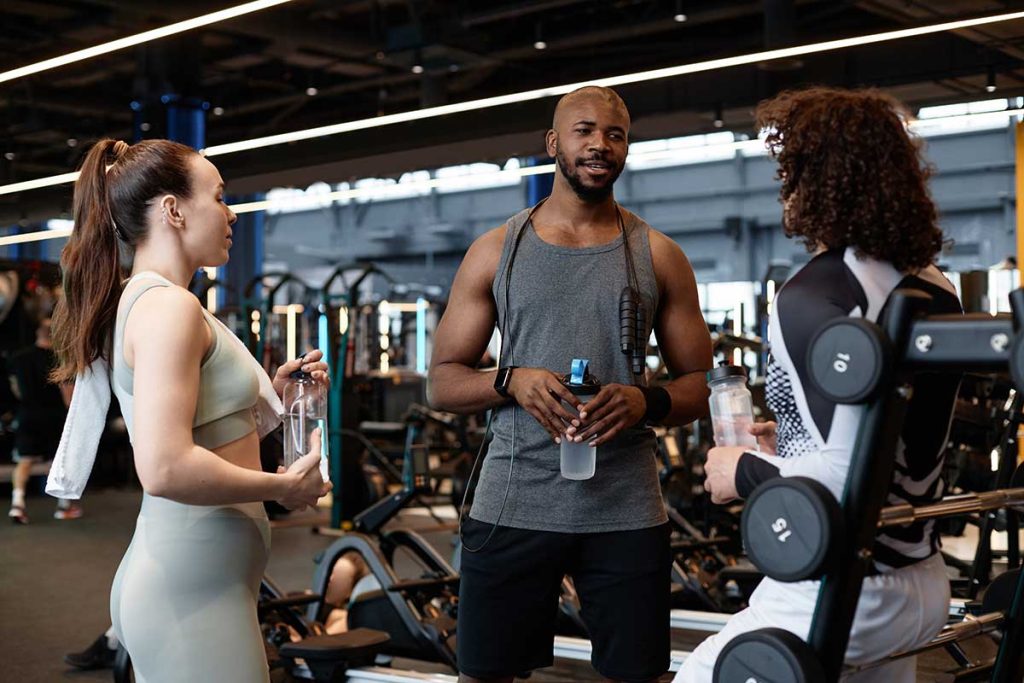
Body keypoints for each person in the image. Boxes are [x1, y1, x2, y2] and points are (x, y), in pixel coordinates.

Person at [428, 85, 712, 683]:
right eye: (585, 131)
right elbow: (443, 383)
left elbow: (698, 384)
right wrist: (511, 380)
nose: (600, 146)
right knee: (485, 674)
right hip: (513, 500)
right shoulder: (495, 252)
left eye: (615, 135)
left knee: (639, 675)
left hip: (625, 507)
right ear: (554, 143)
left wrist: (646, 400)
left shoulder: (658, 255)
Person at [679, 87, 961, 682]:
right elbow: (879, 438)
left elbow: (840, 484)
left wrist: (742, 470)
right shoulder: (932, 283)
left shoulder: (812, 294)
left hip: (847, 585)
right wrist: (793, 442)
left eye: (790, 170)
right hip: (925, 582)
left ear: (818, 178)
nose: (784, 187)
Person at [50, 138, 331, 682]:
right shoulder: (167, 308)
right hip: (190, 590)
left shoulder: (157, 301)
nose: (230, 214)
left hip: (201, 579)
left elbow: (197, 425)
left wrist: (269, 395)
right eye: (219, 197)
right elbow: (164, 468)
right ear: (173, 210)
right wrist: (283, 488)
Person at [8, 316, 76, 524]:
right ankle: (63, 506)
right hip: (54, 416)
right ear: (55, 334)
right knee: (59, 461)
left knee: (25, 461)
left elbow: (15, 388)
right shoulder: (60, 358)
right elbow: (67, 393)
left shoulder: (19, 358)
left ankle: (18, 503)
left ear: (38, 332)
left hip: (28, 414)